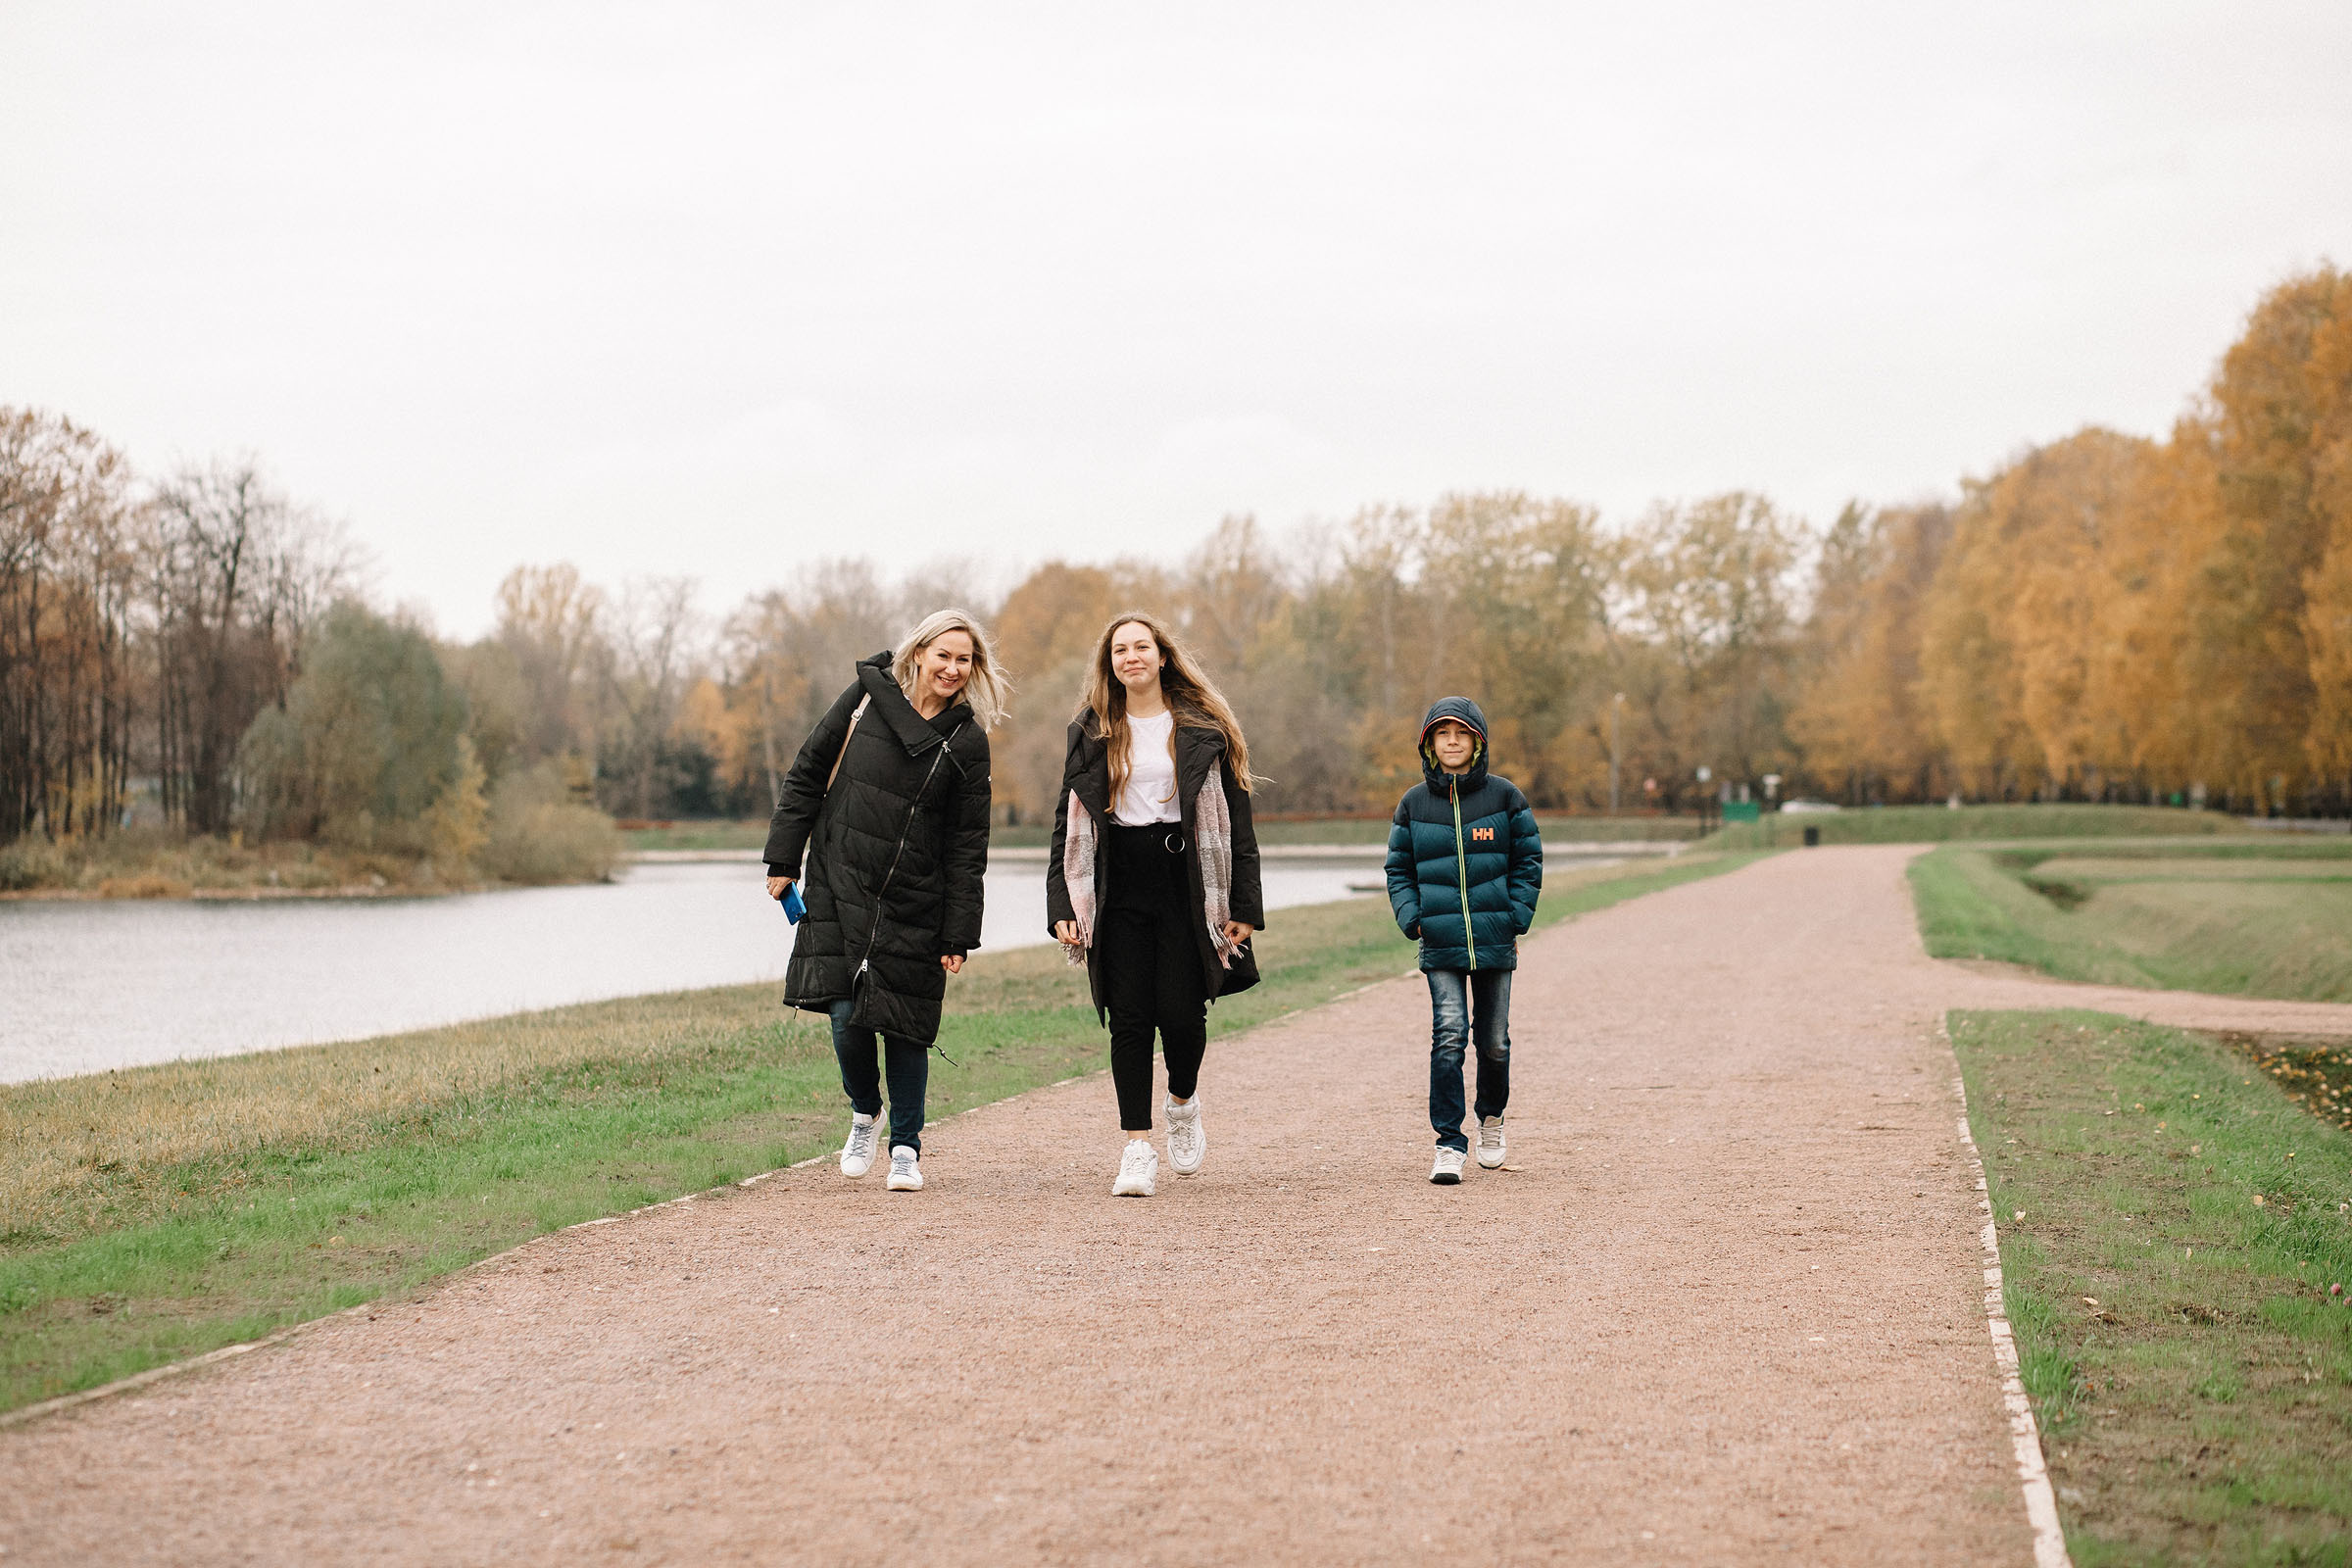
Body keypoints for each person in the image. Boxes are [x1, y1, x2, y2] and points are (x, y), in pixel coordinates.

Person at [762, 610, 1004, 1193]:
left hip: (915, 900)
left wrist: (957, 931)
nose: (951, 668)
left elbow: (967, 845)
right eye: (942, 655)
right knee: (845, 1017)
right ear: (918, 652)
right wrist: (781, 858)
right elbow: (807, 771)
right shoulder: (866, 698)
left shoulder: (967, 741)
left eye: (963, 659)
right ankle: (865, 1112)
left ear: (973, 668)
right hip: (839, 881)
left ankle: (906, 1149)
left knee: (905, 1026)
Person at [1047, 612, 1263, 1197]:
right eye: (1120, 650)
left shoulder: (1203, 726)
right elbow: (1067, 822)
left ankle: (1182, 1102)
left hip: (1188, 880)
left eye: (1141, 646)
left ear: (1162, 656)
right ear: (1109, 664)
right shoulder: (1091, 731)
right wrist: (1062, 903)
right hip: (1117, 880)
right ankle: (1136, 1146)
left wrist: (1245, 903)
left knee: (1185, 1016)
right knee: (1130, 1018)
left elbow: (1237, 822)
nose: (1131, 657)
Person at [1383, 697, 1543, 1184]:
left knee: (1493, 1042)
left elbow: (1528, 860)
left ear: (1477, 741)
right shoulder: (1413, 803)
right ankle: (1449, 1142)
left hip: (1495, 938)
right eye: (1442, 733)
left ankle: (1491, 1118)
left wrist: (1515, 915)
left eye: (1461, 733)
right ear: (1429, 743)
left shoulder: (1504, 797)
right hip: (1441, 942)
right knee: (1449, 1035)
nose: (1452, 741)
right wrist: (1416, 919)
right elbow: (1398, 869)